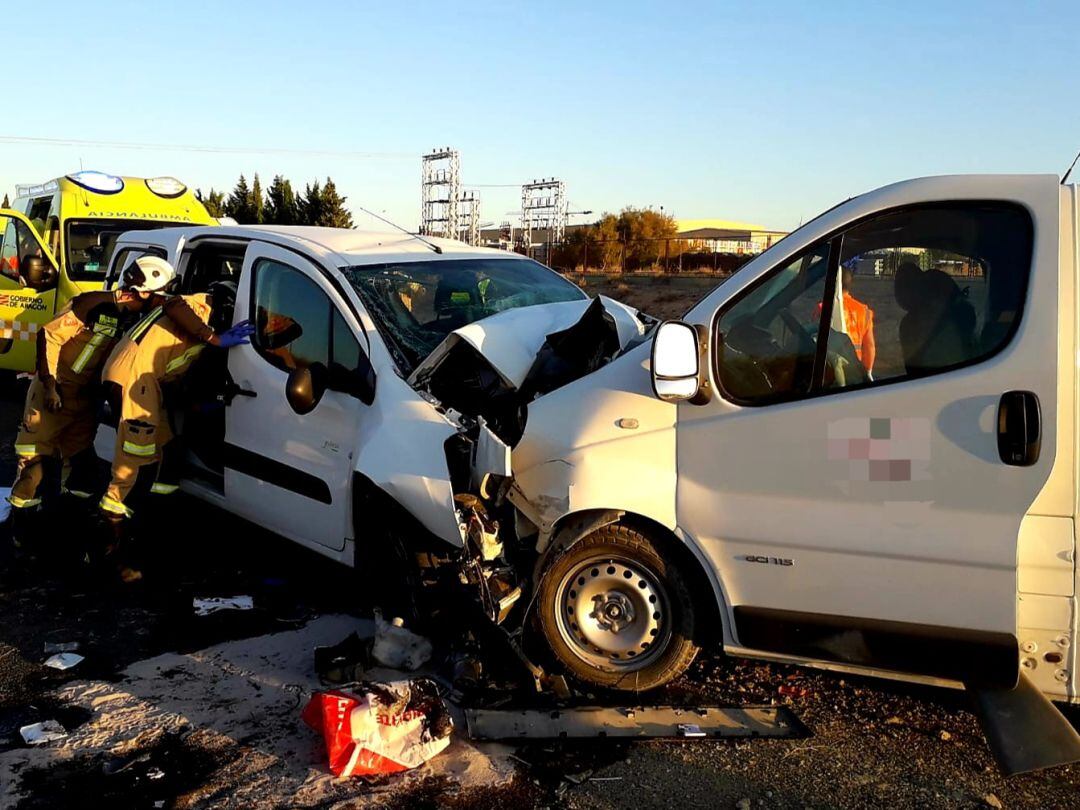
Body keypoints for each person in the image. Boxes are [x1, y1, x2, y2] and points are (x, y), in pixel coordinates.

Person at [97, 261, 253, 579]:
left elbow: (177, 365)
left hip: (141, 382)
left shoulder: (197, 313)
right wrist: (215, 339)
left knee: (166, 447)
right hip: (134, 384)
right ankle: (110, 552)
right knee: (132, 468)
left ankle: (158, 520)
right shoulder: (199, 305)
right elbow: (174, 303)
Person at [6, 256, 169, 552]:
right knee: (34, 464)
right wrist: (50, 385)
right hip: (55, 393)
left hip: (86, 401)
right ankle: (21, 530)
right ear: (142, 291)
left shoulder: (138, 319)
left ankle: (68, 527)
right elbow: (49, 335)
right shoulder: (92, 304)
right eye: (155, 294)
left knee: (80, 466)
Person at [816, 263, 877, 373]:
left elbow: (814, 340)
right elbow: (870, 347)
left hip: (831, 368)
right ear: (850, 284)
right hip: (854, 370)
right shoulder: (865, 311)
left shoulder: (823, 308)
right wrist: (867, 372)